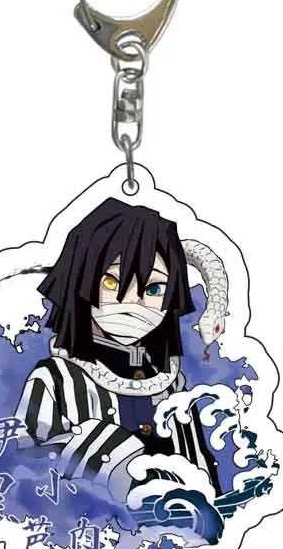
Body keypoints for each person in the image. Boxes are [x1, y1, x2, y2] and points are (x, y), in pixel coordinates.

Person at [15, 198, 221, 502]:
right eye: (111, 282)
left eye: (154, 289)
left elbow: (197, 460)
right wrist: (106, 458)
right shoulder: (54, 378)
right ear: (82, 281)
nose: (133, 301)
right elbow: (25, 464)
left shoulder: (172, 383)